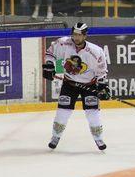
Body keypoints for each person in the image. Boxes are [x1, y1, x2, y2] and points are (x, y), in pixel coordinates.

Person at [43, 22, 110, 151]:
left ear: (85, 36)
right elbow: (50, 53)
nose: (76, 38)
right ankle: (55, 137)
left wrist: (102, 86)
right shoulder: (63, 43)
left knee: (93, 113)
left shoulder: (96, 51)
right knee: (62, 112)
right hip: (70, 83)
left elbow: (102, 71)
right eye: (74, 34)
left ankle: (98, 138)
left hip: (89, 84)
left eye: (79, 35)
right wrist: (49, 66)